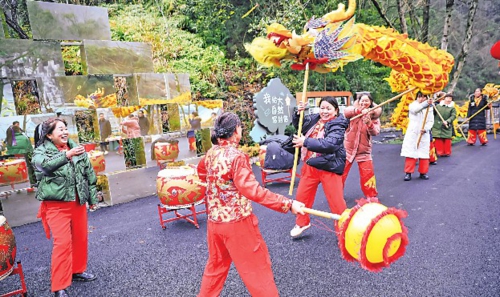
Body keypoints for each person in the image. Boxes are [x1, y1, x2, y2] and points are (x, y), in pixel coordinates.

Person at [197, 112, 304, 297]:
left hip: (215, 223)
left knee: (215, 268)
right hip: (237, 224)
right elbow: (252, 190)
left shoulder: (211, 153)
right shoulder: (237, 157)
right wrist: (287, 203)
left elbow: (201, 174)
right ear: (236, 131)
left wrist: (220, 190)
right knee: (257, 270)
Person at [32, 118, 98, 297]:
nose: (64, 132)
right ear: (49, 134)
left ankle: (77, 270)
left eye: (66, 128)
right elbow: (44, 167)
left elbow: (88, 174)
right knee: (62, 243)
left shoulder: (76, 148)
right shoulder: (40, 152)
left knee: (80, 238)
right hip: (56, 206)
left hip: (77, 203)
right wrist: (67, 156)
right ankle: (59, 285)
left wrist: (92, 198)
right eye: (60, 129)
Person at [288, 96, 349, 238]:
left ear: (336, 110)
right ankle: (302, 222)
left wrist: (305, 141)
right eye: (322, 108)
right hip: (311, 165)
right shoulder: (315, 119)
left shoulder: (338, 125)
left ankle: (344, 230)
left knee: (337, 203)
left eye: (328, 108)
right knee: (302, 197)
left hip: (329, 166)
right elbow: (300, 125)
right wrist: (299, 113)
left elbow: (330, 144)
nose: (325, 111)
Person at [342, 93, 382, 198]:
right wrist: (359, 111)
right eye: (362, 101)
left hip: (364, 151)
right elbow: (346, 112)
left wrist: (369, 123)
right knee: (340, 172)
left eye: (367, 101)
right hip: (348, 149)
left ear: (371, 103)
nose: (364, 103)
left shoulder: (374, 116)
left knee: (368, 175)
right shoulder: (353, 111)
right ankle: (335, 194)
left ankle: (371, 197)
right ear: (358, 102)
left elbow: (376, 132)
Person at [401, 92, 434, 181]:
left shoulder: (430, 109)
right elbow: (416, 110)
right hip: (413, 132)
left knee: (423, 154)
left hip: (423, 133)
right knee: (411, 153)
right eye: (420, 97)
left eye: (424, 97)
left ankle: (423, 172)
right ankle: (408, 173)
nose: (421, 99)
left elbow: (431, 121)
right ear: (417, 97)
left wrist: (426, 129)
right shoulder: (413, 105)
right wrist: (426, 103)